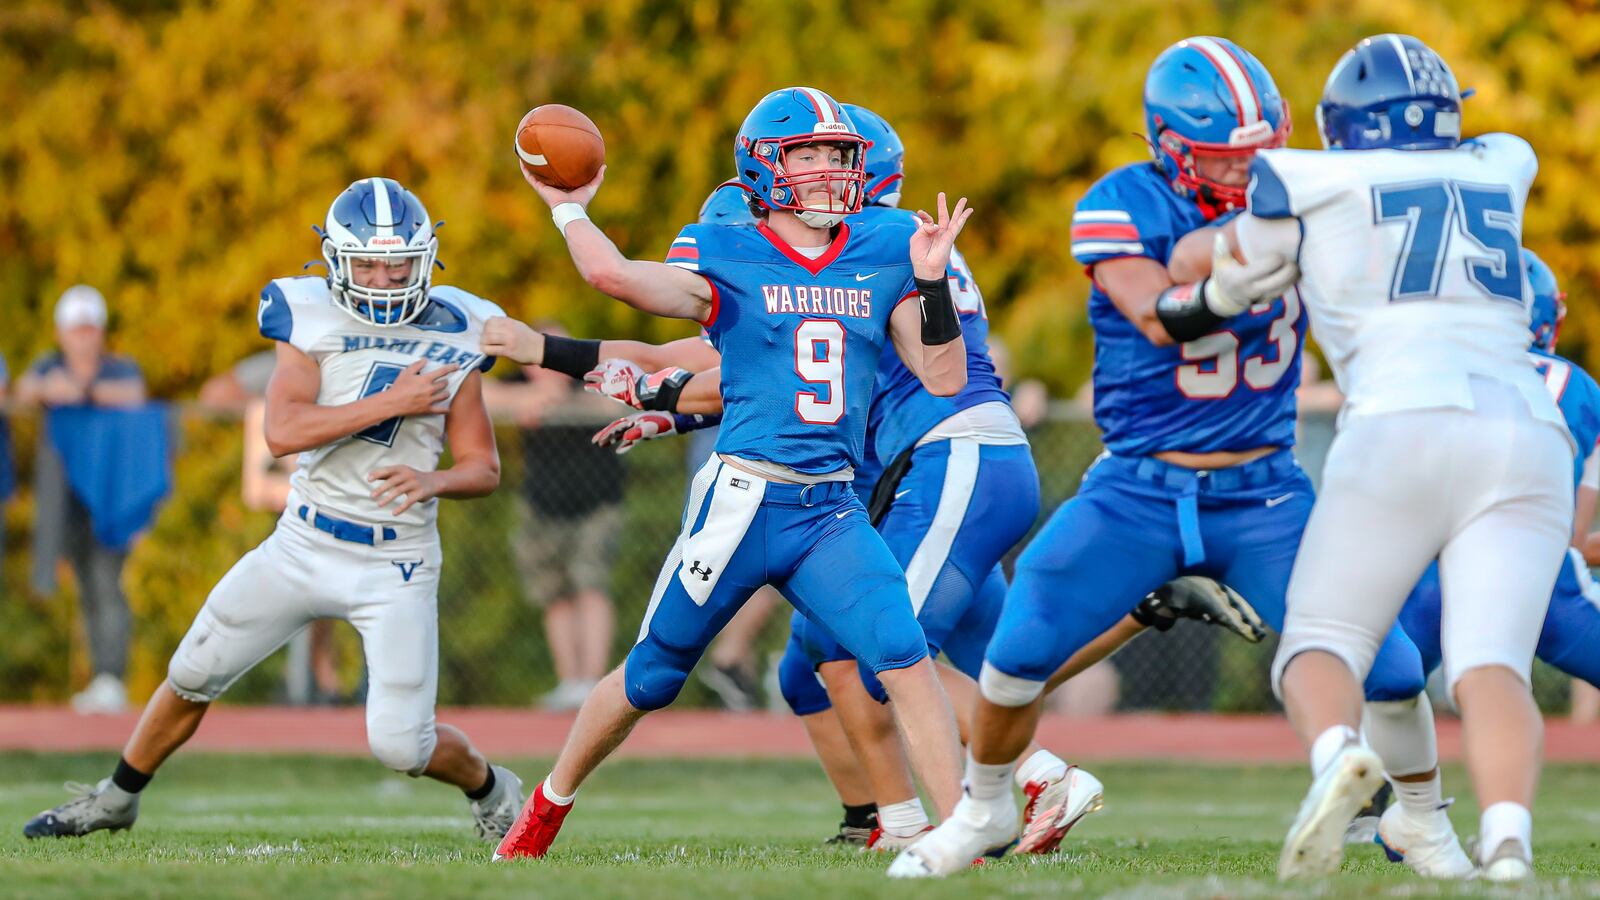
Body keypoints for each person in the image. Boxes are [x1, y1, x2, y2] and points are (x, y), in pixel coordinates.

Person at [890, 37, 1431, 879]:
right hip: (1138, 486)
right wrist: (1222, 285)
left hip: (1265, 490)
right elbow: (1154, 308)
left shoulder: (1308, 191)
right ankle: (984, 807)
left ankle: (1417, 821)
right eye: (1229, 158)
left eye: (1262, 151)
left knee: (1392, 664)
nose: (1251, 171)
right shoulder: (1123, 203)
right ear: (1173, 150)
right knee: (1018, 649)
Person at [484, 86, 974, 861]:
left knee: (906, 660)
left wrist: (936, 283)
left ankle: (961, 841)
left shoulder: (885, 245)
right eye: (807, 154)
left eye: (838, 155)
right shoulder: (725, 248)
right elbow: (616, 280)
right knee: (652, 675)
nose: (828, 170)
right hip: (743, 500)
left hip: (830, 510)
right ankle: (546, 808)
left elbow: (944, 378)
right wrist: (567, 208)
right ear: (764, 165)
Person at [23, 177, 524, 842]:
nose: (382, 278)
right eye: (367, 264)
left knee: (402, 746)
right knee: (193, 670)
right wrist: (389, 403)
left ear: (425, 259)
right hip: (305, 541)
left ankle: (494, 789)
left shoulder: (458, 330)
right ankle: (116, 797)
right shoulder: (309, 315)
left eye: (397, 263)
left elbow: (483, 467)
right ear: (337, 262)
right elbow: (282, 430)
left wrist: (434, 483)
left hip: (395, 559)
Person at [1219, 35, 1573, 882]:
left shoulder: (1306, 176)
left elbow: (1244, 266)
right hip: (1526, 430)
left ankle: (1340, 754)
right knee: (1492, 664)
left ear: (1346, 128)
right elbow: (1484, 148)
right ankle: (1512, 844)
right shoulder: (1504, 164)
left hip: (1402, 420)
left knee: (1319, 643)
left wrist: (1224, 288)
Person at [15, 285, 148, 714]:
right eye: (76, 329)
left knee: (108, 584)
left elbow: (136, 394)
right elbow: (23, 390)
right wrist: (46, 387)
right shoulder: (48, 365)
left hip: (110, 495)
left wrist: (85, 391)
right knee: (86, 587)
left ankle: (112, 676)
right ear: (61, 333)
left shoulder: (118, 369)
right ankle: (98, 677)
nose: (83, 338)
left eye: (90, 328)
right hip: (67, 497)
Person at [481, 324, 625, 710]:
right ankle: (570, 681)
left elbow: (620, 403)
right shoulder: (519, 379)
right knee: (553, 592)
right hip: (541, 504)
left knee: (590, 583)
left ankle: (594, 682)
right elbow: (481, 395)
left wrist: (559, 400)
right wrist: (530, 395)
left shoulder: (592, 377)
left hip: (596, 503)